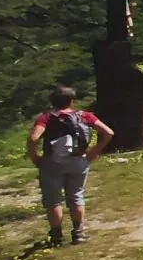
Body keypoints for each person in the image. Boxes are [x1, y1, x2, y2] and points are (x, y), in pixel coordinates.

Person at [26, 88, 113, 247]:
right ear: (72, 100)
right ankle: (78, 234)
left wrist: (35, 158)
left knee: (53, 200)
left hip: (52, 162)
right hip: (78, 160)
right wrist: (94, 152)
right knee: (76, 196)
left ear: (52, 101)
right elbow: (108, 133)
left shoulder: (45, 118)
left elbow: (33, 139)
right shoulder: (84, 115)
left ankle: (56, 236)